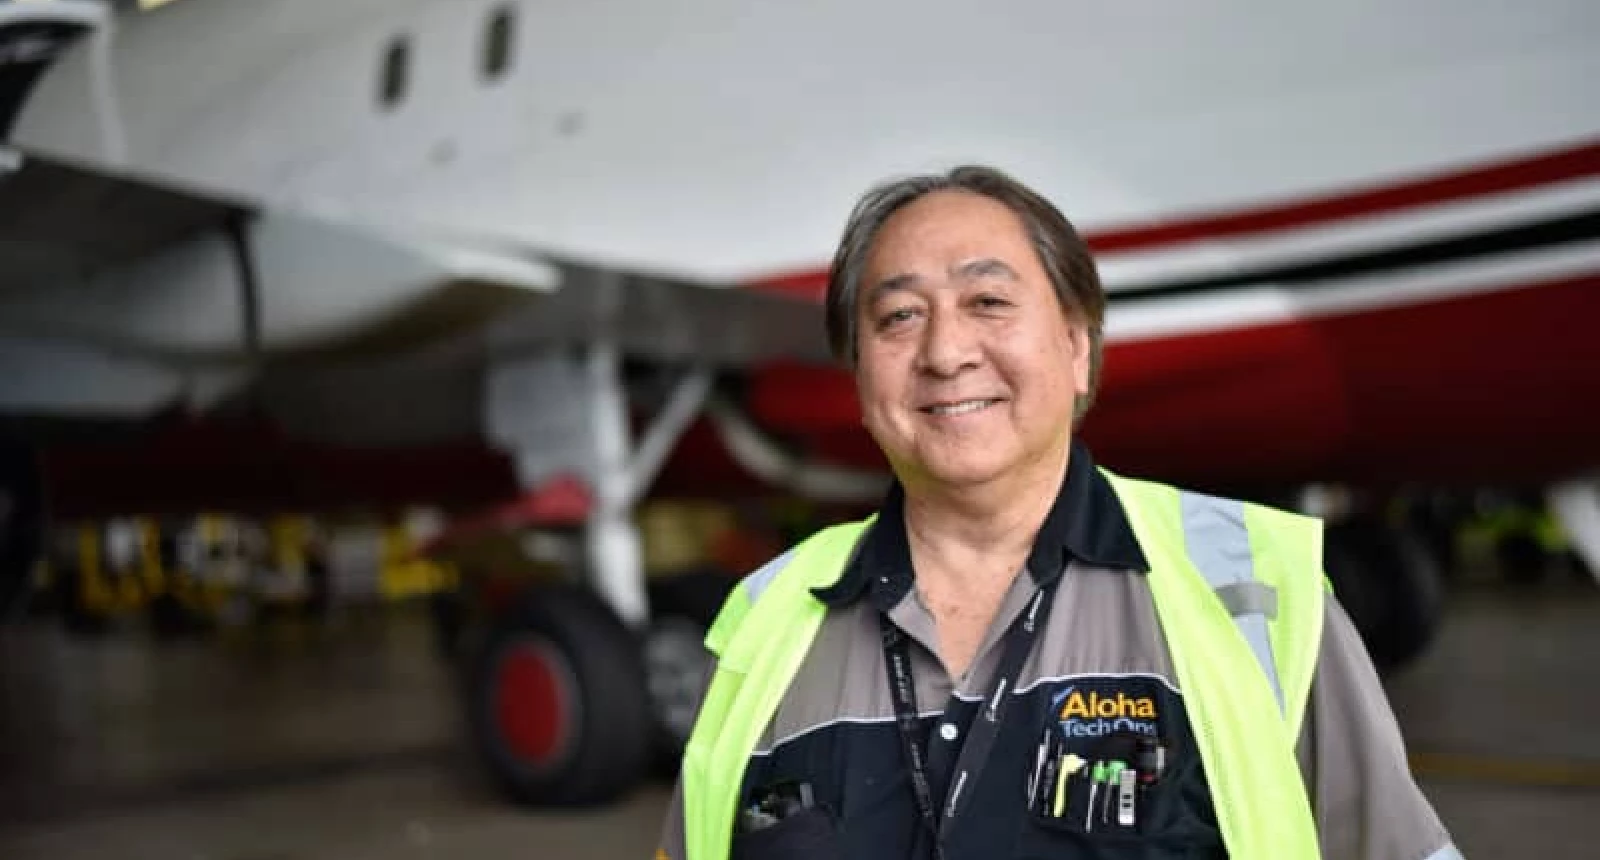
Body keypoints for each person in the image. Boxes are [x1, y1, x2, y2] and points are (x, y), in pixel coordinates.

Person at [655, 166, 1460, 860]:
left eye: (989, 301)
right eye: (899, 316)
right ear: (861, 376)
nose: (944, 352)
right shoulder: (763, 625)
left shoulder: (1252, 590)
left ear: (1077, 348)